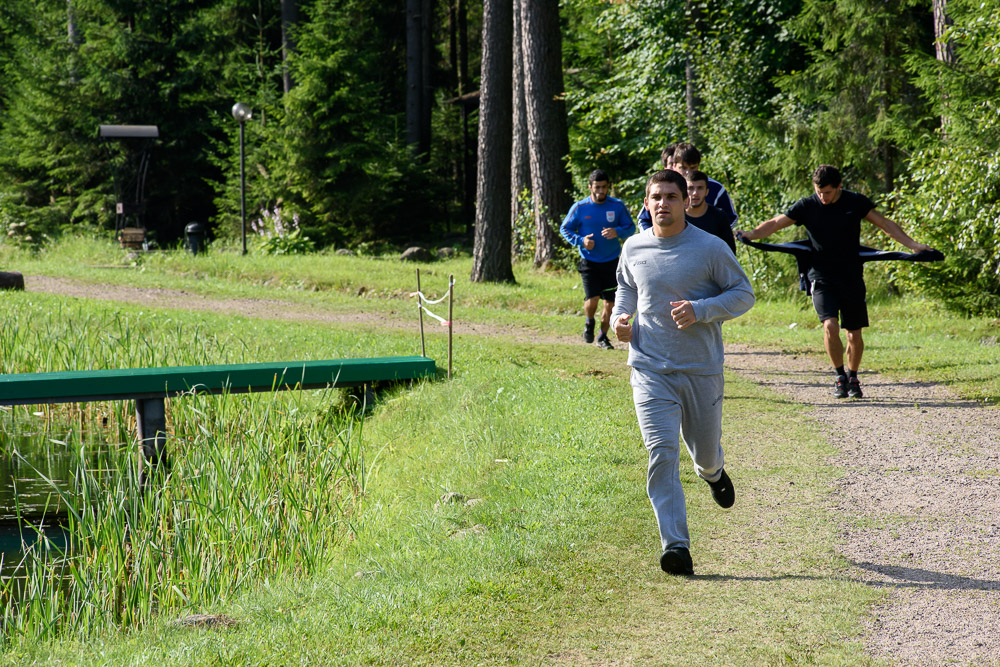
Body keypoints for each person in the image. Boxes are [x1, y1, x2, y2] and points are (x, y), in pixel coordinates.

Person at [612, 169, 755, 576]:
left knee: (704, 453)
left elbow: (744, 294)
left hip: (700, 369)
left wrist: (701, 310)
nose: (663, 204)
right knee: (661, 453)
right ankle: (676, 546)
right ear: (646, 203)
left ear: (684, 201)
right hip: (649, 368)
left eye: (671, 196)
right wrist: (620, 321)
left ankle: (711, 472)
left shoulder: (708, 248)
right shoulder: (633, 246)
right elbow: (626, 289)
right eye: (655, 197)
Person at [736, 165, 933, 399]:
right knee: (830, 325)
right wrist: (752, 234)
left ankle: (853, 376)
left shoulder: (855, 202)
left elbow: (885, 225)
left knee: (854, 334)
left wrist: (913, 246)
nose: (822, 197)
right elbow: (777, 222)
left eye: (827, 192)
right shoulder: (807, 205)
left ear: (839, 186)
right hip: (820, 276)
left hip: (851, 276)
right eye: (819, 192)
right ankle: (840, 376)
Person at [560, 169, 636, 349]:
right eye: (597, 187)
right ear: (590, 187)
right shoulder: (580, 208)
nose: (601, 191)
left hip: (611, 262)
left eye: (604, 187)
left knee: (610, 304)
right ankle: (589, 322)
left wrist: (617, 231)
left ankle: (602, 336)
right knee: (592, 300)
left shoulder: (617, 206)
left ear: (608, 186)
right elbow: (565, 228)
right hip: (589, 261)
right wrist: (581, 241)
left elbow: (631, 227)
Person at [637, 142, 737, 230]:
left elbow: (731, 218)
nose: (688, 172)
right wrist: (654, 241)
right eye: (683, 168)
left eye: (693, 168)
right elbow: (644, 219)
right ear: (674, 166)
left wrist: (714, 236)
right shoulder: (664, 187)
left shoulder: (715, 188)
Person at [684, 171, 737, 254]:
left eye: (700, 188)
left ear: (707, 192)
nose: (695, 193)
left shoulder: (719, 217)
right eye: (690, 188)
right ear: (684, 192)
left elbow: (729, 253)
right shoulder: (677, 216)